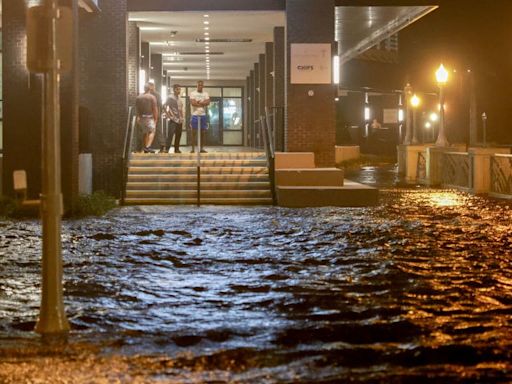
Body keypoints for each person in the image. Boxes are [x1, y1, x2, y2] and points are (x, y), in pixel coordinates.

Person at [135, 83, 158, 153]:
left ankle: (145, 148)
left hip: (141, 117)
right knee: (152, 131)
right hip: (149, 117)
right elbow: (154, 109)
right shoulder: (152, 97)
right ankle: (148, 146)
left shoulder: (138, 97)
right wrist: (156, 119)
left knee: (145, 133)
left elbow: (137, 109)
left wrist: (138, 117)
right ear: (150, 89)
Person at [189, 80, 210, 153]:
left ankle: (201, 149)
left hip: (203, 115)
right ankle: (192, 149)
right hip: (195, 115)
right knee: (193, 132)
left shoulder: (206, 93)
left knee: (203, 132)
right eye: (198, 85)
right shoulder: (193, 93)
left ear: (203, 86)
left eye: (201, 85)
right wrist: (202, 103)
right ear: (197, 86)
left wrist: (198, 102)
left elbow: (208, 102)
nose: (200, 86)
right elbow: (193, 103)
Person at [163, 84, 184, 154]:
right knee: (170, 134)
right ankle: (166, 149)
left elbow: (181, 109)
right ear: (174, 89)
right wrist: (168, 115)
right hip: (173, 119)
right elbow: (164, 106)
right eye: (177, 89)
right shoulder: (170, 97)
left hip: (180, 120)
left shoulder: (179, 98)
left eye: (179, 89)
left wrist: (182, 118)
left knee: (178, 135)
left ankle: (176, 149)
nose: (179, 90)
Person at [148, 81, 166, 153]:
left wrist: (158, 115)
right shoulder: (151, 94)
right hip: (151, 115)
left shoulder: (156, 95)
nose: (150, 88)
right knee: (152, 131)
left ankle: (161, 146)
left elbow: (159, 105)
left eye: (151, 86)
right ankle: (148, 147)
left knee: (156, 130)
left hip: (155, 115)